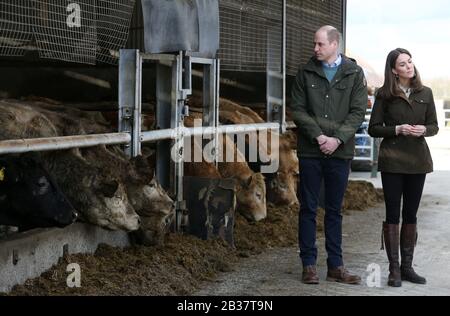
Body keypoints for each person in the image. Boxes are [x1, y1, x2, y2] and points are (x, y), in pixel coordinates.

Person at [289, 25, 368, 285]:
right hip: (311, 151)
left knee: (334, 210)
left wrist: (337, 140)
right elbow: (298, 109)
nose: (315, 49)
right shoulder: (305, 72)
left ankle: (335, 266)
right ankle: (309, 265)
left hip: (340, 152)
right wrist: (319, 137)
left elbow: (357, 112)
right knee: (308, 208)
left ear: (335, 44)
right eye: (316, 44)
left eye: (320, 44)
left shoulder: (354, 74)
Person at [368, 48, 439, 287]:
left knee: (411, 214)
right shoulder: (383, 95)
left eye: (410, 61)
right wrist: (397, 129)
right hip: (392, 161)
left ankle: (408, 267)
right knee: (392, 214)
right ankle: (394, 270)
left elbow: (434, 126)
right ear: (393, 70)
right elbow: (374, 128)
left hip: (418, 162)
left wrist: (424, 130)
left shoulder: (426, 93)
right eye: (403, 64)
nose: (409, 66)